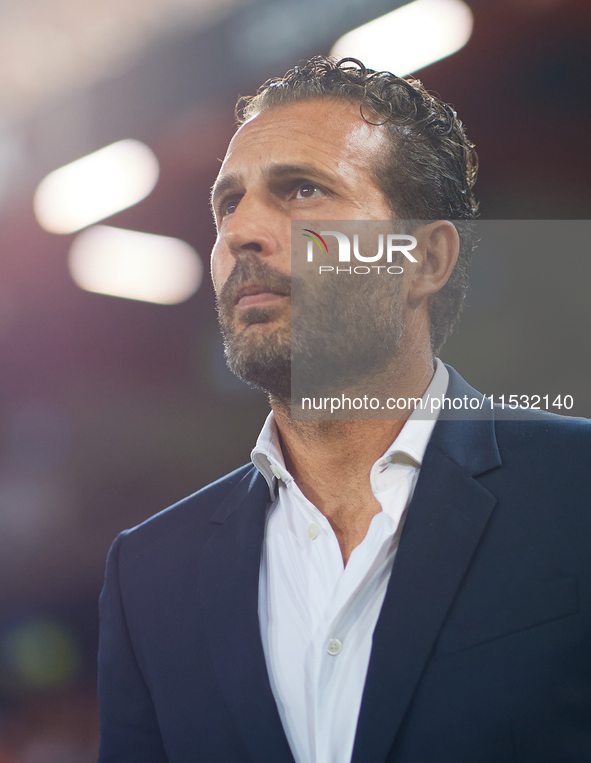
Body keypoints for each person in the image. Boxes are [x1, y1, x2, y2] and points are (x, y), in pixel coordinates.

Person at [97, 57, 591, 763]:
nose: (242, 231)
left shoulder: (576, 491)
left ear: (423, 260)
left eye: (300, 189)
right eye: (227, 203)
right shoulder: (147, 574)